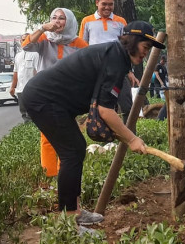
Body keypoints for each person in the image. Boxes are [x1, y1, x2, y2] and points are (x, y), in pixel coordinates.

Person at [22, 21, 165, 230]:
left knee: (75, 149)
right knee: (72, 151)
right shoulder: (115, 58)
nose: (146, 53)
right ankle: (69, 220)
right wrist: (132, 139)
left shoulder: (115, 56)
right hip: (43, 99)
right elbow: (106, 112)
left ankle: (74, 210)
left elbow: (104, 106)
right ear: (133, 42)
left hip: (52, 100)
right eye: (145, 47)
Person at [23, 8, 88, 177]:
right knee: (47, 135)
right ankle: (49, 174)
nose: (57, 21)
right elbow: (26, 45)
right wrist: (43, 28)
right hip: (44, 94)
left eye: (62, 18)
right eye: (54, 17)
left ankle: (64, 172)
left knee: (68, 133)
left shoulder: (79, 44)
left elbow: (88, 65)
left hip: (68, 96)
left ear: (70, 22)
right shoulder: (45, 39)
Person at [79, 0, 139, 123]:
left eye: (110, 4)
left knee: (127, 104)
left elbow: (127, 48)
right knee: (100, 106)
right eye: (104, 4)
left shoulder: (120, 21)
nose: (107, 7)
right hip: (96, 70)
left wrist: (129, 71)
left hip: (119, 69)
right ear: (97, 3)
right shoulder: (87, 21)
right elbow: (82, 46)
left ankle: (128, 136)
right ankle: (103, 135)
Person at [10, 33, 38, 122]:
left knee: (32, 112)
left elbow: (38, 71)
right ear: (20, 41)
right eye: (23, 40)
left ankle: (33, 127)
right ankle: (27, 126)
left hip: (32, 89)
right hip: (20, 89)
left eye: (27, 39)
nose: (24, 42)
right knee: (23, 112)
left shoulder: (36, 54)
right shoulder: (18, 56)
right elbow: (16, 72)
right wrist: (13, 87)